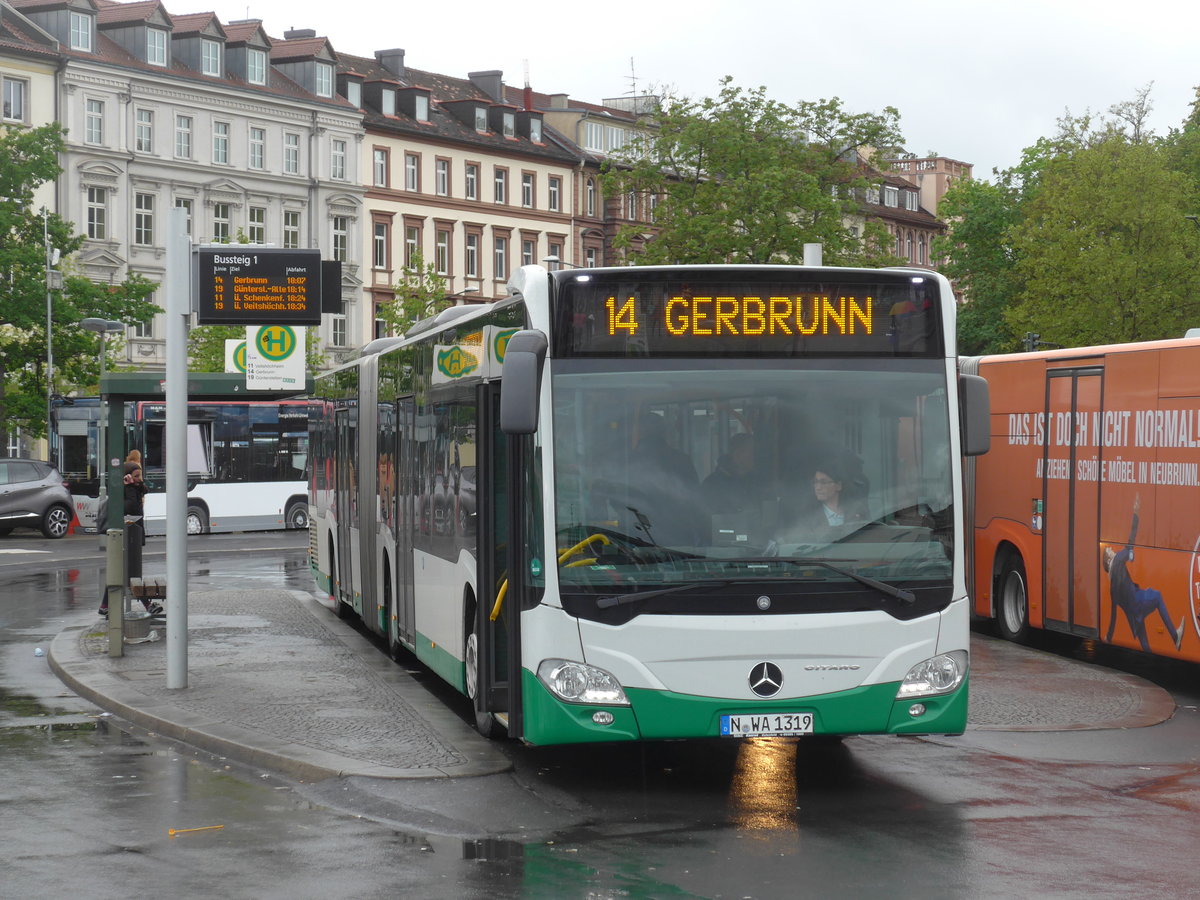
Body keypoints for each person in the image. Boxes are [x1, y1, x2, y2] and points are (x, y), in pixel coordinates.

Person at [1104, 494, 1185, 653]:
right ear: (1108, 561)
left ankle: (1172, 640)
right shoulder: (1119, 560)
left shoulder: (1112, 587)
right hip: (1140, 603)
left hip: (1135, 617)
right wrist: (1136, 513)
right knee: (1157, 596)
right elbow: (1131, 539)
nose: (1112, 549)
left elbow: (1113, 615)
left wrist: (1108, 636)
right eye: (1109, 551)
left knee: (1146, 646)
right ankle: (1175, 637)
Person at [702, 432, 758, 514]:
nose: (756, 457)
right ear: (737, 455)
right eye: (753, 453)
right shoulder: (712, 485)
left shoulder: (757, 482)